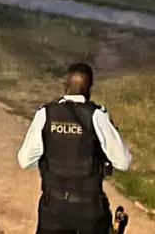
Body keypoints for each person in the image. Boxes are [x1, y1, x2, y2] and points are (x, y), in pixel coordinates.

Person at [18, 63, 132, 234]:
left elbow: (24, 161)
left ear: (65, 86)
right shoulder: (97, 116)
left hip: (53, 209)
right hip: (89, 210)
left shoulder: (45, 114)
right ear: (89, 88)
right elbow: (123, 162)